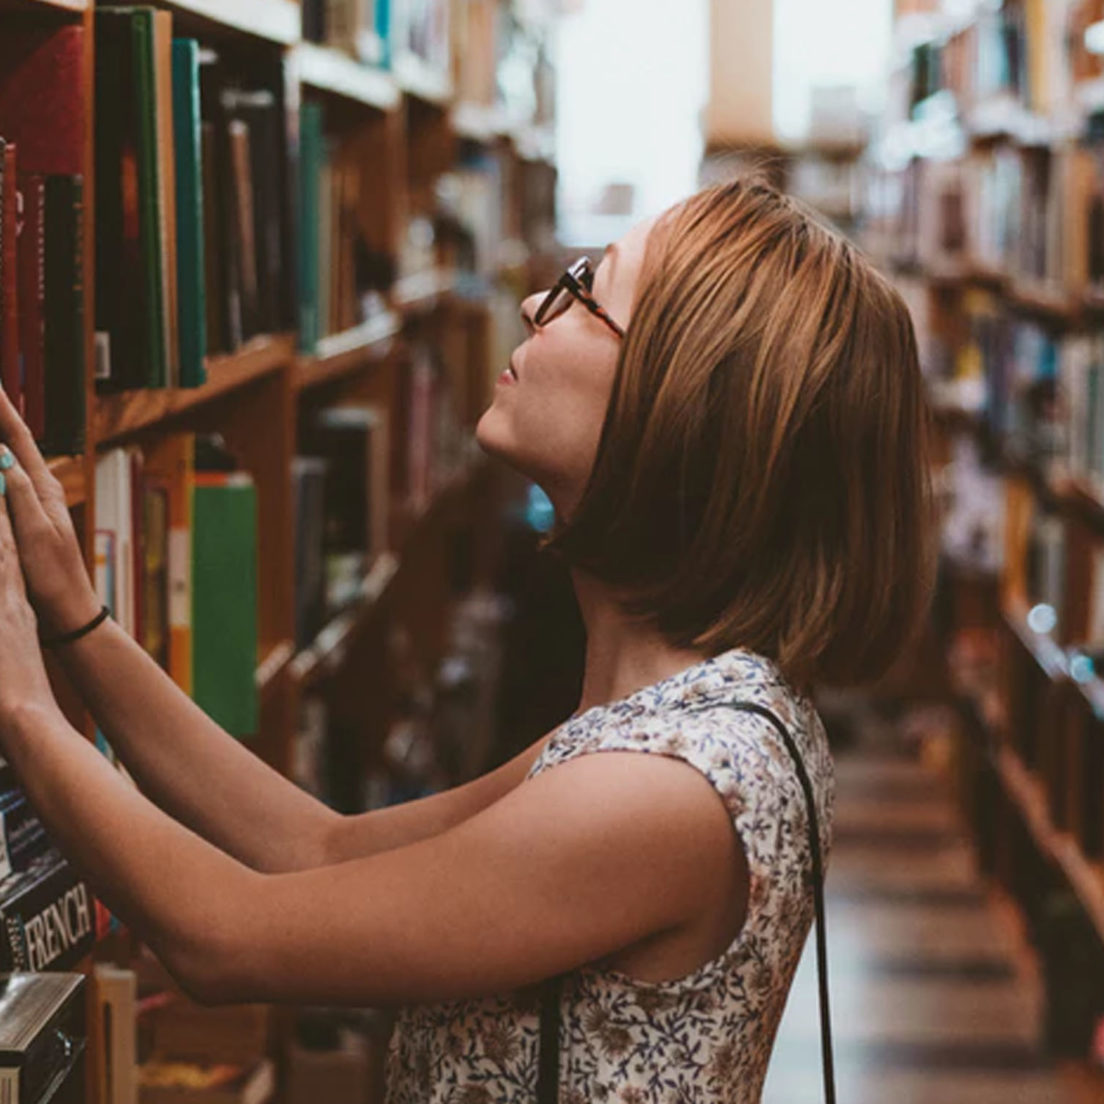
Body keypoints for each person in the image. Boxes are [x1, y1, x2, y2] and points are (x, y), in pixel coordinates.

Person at [0, 176, 933, 1103]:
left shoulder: (663, 787)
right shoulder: (674, 723)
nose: (535, 304)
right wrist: (78, 620)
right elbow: (318, 848)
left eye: (585, 293)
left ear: (682, 407)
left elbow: (222, 938)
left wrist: (25, 711)